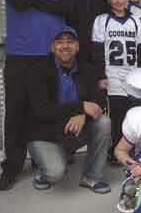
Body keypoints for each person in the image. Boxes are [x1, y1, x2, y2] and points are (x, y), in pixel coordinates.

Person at [0, 0, 75, 190]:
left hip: (51, 55)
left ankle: (49, 159)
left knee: (48, 109)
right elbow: (18, 3)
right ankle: (12, 167)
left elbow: (67, 7)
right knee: (17, 111)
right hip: (21, 54)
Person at [25, 26, 111, 193]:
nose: (65, 46)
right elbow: (42, 110)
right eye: (59, 42)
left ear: (77, 46)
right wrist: (80, 107)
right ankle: (44, 172)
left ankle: (92, 177)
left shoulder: (87, 69)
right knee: (55, 173)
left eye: (70, 42)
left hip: (72, 130)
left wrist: (83, 114)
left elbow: (100, 101)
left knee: (104, 122)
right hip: (43, 134)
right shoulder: (37, 71)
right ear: (52, 47)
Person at [92, 0, 141, 163]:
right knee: (116, 114)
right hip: (112, 74)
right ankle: (115, 151)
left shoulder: (135, 21)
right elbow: (98, 50)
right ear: (108, 0)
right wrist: (101, 75)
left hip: (132, 74)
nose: (118, 1)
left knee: (133, 113)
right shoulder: (101, 20)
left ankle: (129, 149)